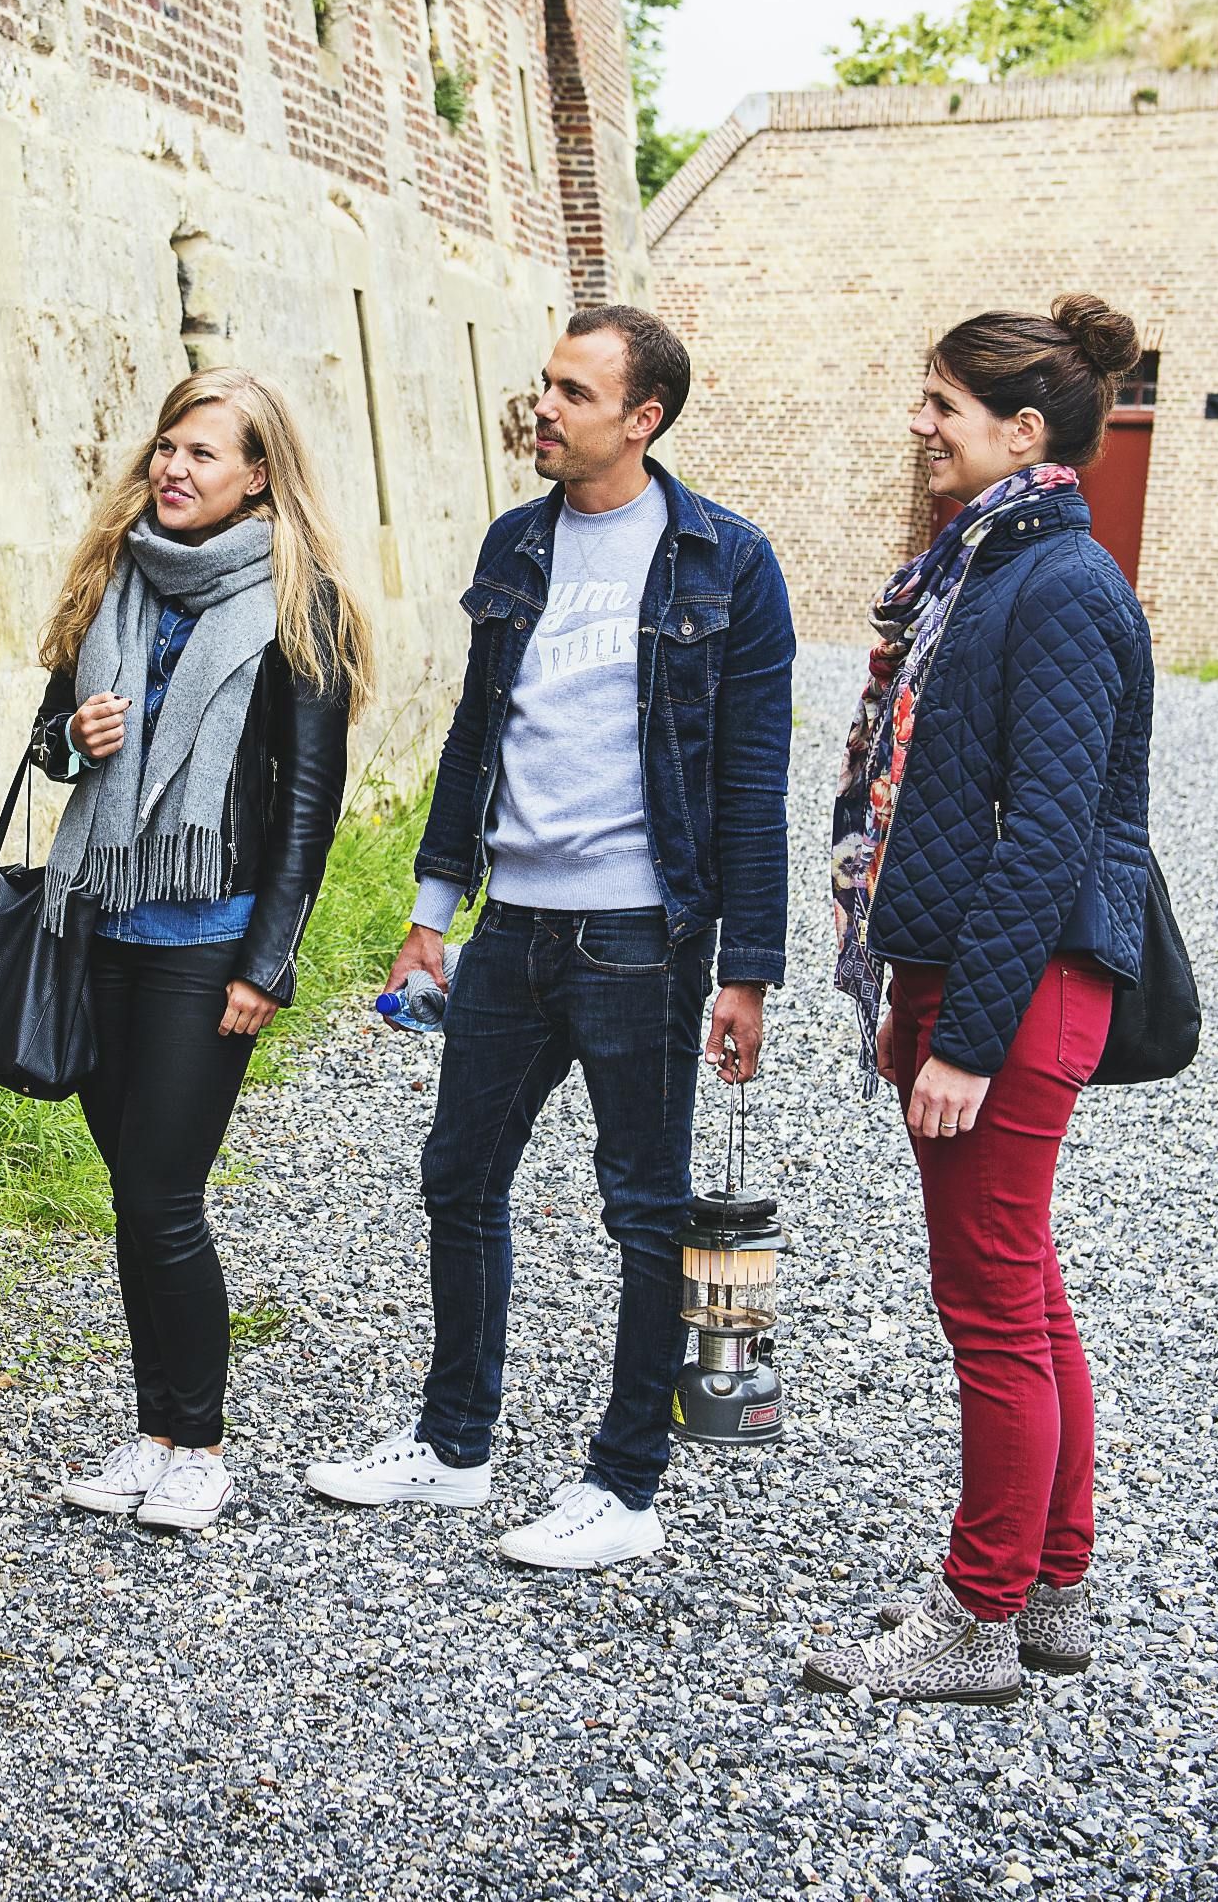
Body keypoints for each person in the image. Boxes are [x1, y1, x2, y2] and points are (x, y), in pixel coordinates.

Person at [306, 304, 794, 1570]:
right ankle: (454, 1444)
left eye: (574, 392)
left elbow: (752, 783)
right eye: (545, 384)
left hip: (643, 932)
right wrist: (429, 912)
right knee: (457, 1176)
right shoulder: (516, 542)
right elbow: (478, 735)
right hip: (512, 925)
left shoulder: (725, 562)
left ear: (644, 418)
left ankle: (624, 1487)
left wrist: (748, 970)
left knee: (644, 1210)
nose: (544, 407)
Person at [799, 294, 1155, 1705]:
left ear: (1021, 432)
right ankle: (1049, 1585)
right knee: (1027, 1295)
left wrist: (967, 1034)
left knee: (990, 1311)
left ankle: (974, 1615)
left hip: (1011, 993)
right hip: (965, 979)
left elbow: (1047, 836)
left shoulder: (1058, 586)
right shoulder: (981, 571)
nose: (918, 422)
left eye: (943, 403)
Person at [29, 372, 367, 1534]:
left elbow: (308, 801)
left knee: (163, 1195)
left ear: (258, 476)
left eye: (204, 455)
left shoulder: (295, 599)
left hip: (204, 938)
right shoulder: (114, 576)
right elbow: (46, 748)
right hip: (98, 926)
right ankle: (153, 1431)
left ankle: (201, 1443)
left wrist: (267, 962)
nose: (174, 469)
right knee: (134, 1197)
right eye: (168, 447)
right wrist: (75, 733)